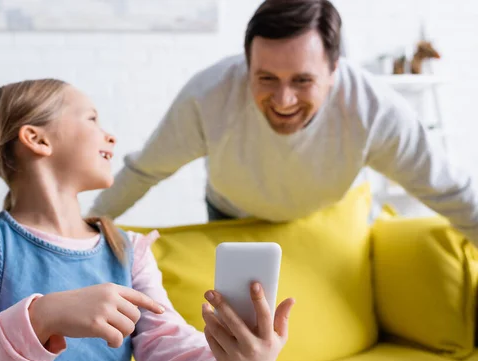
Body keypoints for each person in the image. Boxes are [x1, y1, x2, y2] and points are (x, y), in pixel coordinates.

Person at [0, 79, 295, 361]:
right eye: (91, 118)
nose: (110, 135)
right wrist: (44, 316)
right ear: (36, 138)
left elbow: (169, 343)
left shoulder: (128, 251)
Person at [88, 0, 478, 247]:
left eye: (303, 81)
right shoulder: (207, 96)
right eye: (266, 78)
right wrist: (82, 229)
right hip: (233, 217)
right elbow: (144, 171)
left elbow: (450, 191)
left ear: (334, 70)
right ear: (247, 65)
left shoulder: (374, 110)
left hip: (330, 215)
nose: (284, 101)